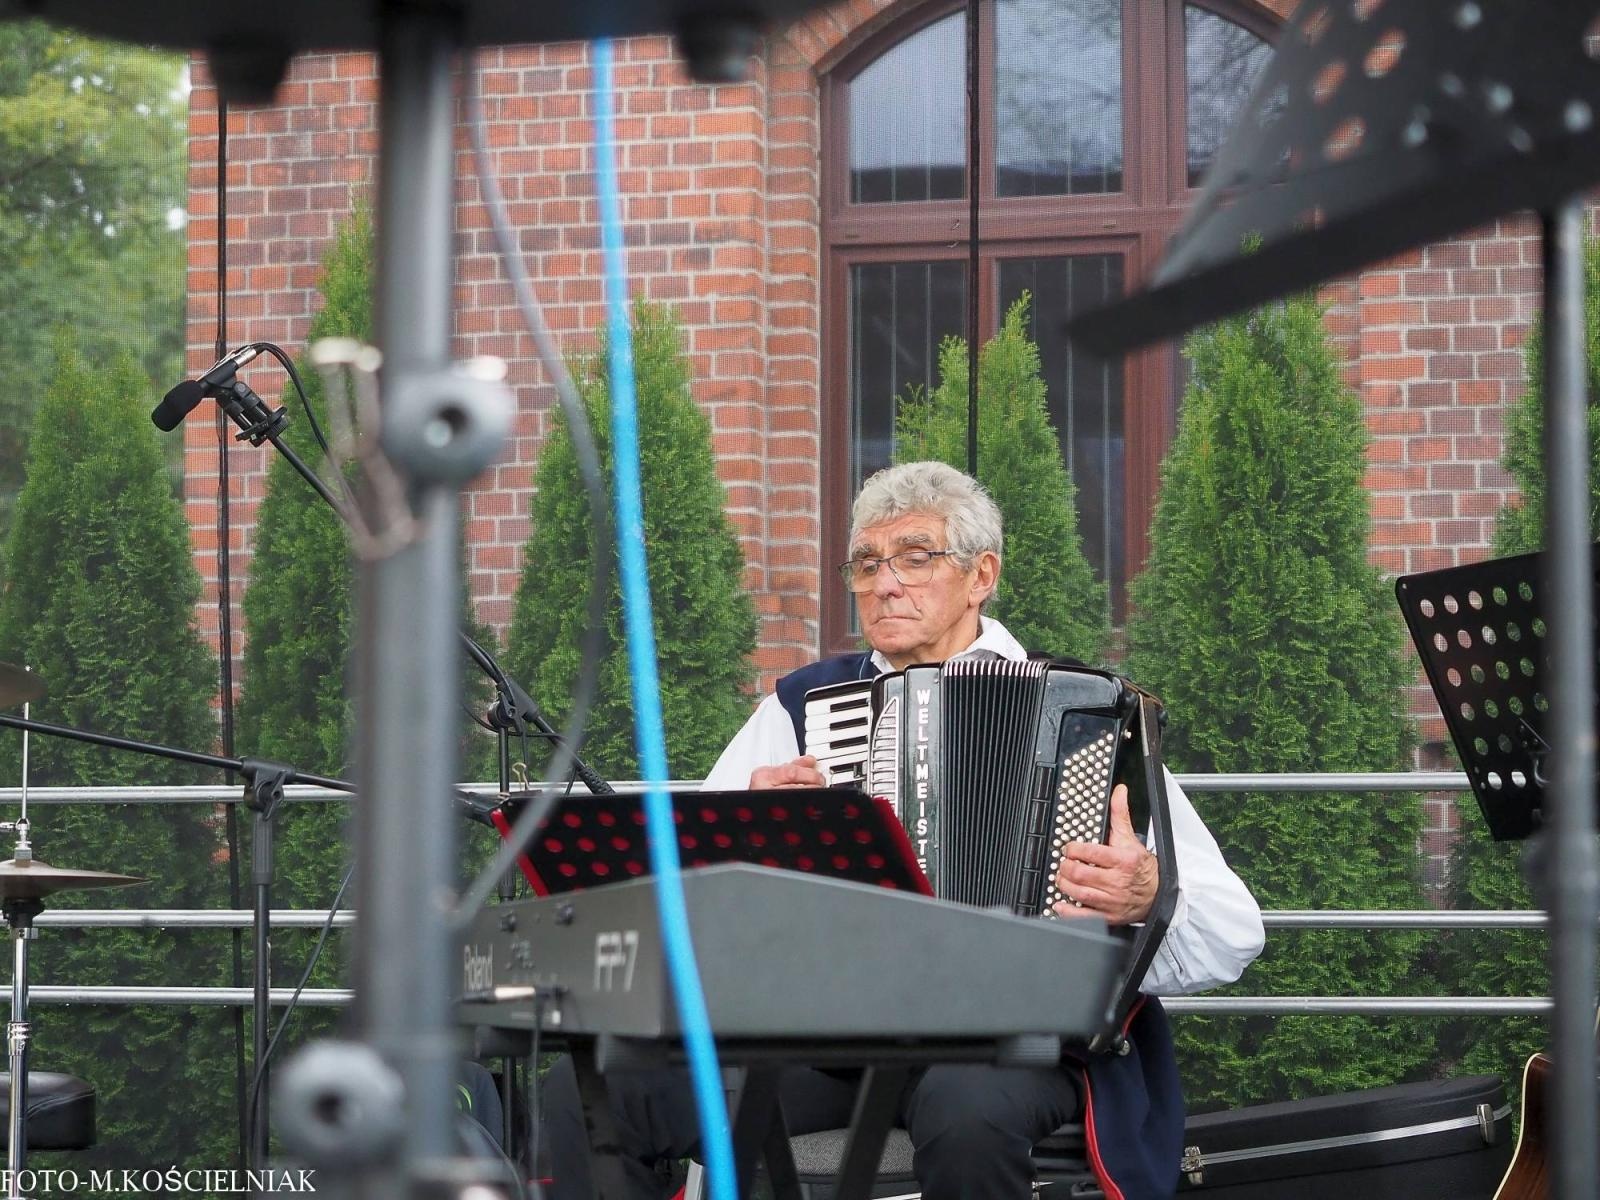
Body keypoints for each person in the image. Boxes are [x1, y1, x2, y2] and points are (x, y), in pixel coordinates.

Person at [544, 461, 1264, 1199]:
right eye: (866, 564)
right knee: (593, 1089)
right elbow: (687, 899)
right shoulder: (801, 708)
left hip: (1019, 1043)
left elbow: (1232, 932)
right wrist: (747, 836)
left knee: (968, 1110)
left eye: (916, 558)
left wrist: (1147, 894)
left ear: (981, 576)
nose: (885, 583)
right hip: (829, 1044)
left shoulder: (1085, 714)